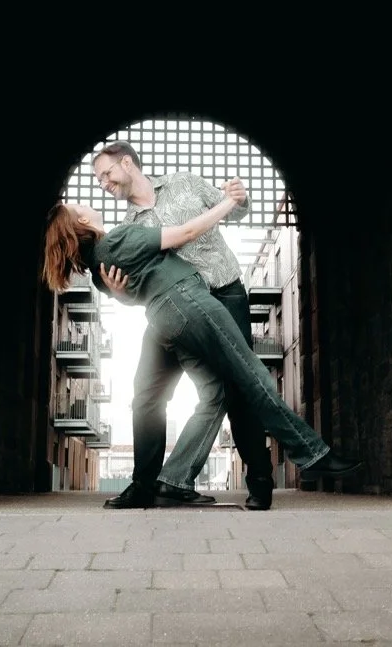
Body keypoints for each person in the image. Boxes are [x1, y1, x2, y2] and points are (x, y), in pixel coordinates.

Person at [42, 194, 364, 507]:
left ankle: (174, 479)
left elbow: (133, 295)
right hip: (188, 302)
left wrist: (123, 295)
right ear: (81, 220)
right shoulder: (115, 240)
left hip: (166, 321)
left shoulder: (99, 267)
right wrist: (228, 202)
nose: (91, 199)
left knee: (215, 394)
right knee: (249, 371)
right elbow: (185, 233)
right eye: (79, 205)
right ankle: (311, 453)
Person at [90, 141, 273, 510]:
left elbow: (233, 212)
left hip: (224, 294)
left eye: (106, 174)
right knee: (147, 392)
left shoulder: (184, 182)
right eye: (98, 180)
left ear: (127, 163)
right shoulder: (127, 228)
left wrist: (238, 196)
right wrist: (118, 293)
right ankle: (143, 486)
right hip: (170, 312)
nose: (103, 183)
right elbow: (135, 291)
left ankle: (260, 481)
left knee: (240, 386)